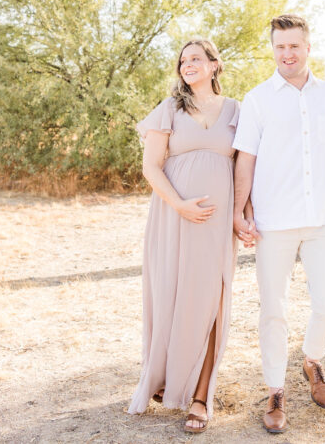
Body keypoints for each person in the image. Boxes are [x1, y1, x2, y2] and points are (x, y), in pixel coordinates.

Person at [231, 14, 325, 435]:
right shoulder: (258, 98)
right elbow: (245, 158)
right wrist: (239, 209)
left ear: (307, 47)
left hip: (321, 217)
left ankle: (312, 360)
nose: (287, 53)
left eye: (294, 46)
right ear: (273, 49)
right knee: (274, 310)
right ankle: (276, 390)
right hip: (272, 221)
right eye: (280, 46)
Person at [127, 39, 241, 435]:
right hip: (173, 217)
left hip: (217, 222)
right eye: (182, 61)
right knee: (171, 296)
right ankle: (165, 379)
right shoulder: (170, 109)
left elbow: (246, 168)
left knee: (211, 298)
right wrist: (180, 205)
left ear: (214, 65)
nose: (187, 65)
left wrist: (243, 215)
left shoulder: (236, 112)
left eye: (196, 58)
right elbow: (151, 167)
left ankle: (200, 397)